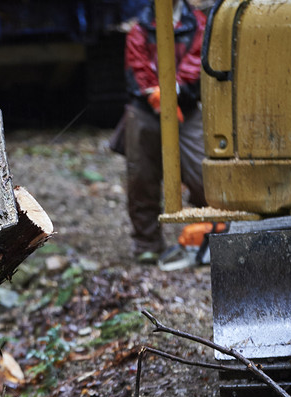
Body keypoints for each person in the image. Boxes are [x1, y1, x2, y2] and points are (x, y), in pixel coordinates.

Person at [123, 0, 207, 264]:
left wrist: (176, 88)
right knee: (141, 177)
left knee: (203, 170)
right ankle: (147, 242)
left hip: (187, 109)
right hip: (146, 109)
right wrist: (156, 94)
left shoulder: (197, 24)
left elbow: (198, 57)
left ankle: (210, 234)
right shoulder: (141, 28)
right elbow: (137, 64)